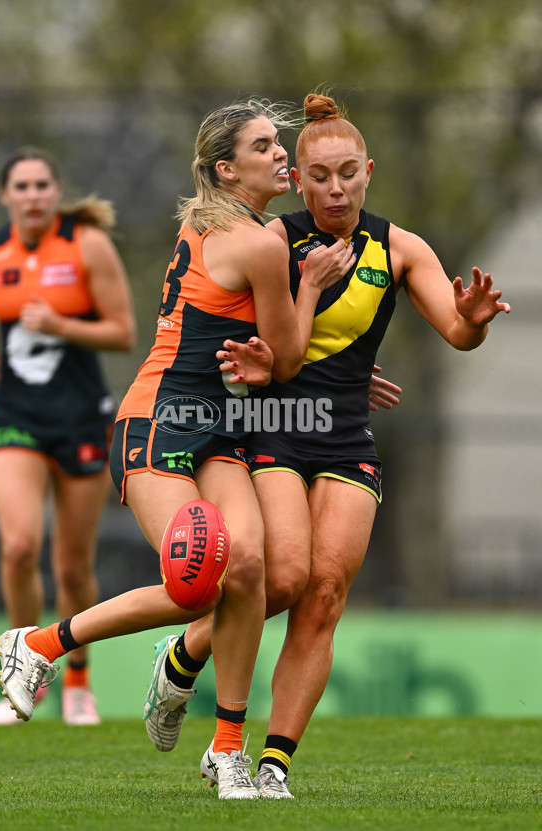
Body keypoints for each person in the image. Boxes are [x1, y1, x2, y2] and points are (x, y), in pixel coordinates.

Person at [146, 91, 511, 799]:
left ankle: (275, 763)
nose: (334, 187)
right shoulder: (268, 240)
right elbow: (226, 328)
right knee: (282, 577)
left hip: (346, 437)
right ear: (299, 180)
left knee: (325, 595)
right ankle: (185, 651)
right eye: (319, 176)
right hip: (278, 426)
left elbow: (457, 333)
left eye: (348, 172)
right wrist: (250, 363)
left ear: (368, 170)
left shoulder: (399, 248)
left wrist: (474, 322)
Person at [0, 100, 356, 798]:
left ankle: (226, 750)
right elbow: (286, 361)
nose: (280, 154)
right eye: (263, 147)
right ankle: (38, 644)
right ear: (227, 168)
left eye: (277, 144)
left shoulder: (222, 220)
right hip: (158, 417)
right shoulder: (260, 243)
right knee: (199, 582)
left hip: (216, 426)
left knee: (250, 568)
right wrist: (308, 286)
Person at [0, 147, 137, 726]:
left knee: (73, 564)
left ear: (56, 192)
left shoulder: (87, 245)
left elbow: (124, 332)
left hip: (81, 418)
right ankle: (21, 680)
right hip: (13, 417)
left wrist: (60, 325)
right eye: (21, 186)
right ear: (5, 196)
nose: (32, 195)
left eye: (41, 185)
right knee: (19, 547)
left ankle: (76, 680)